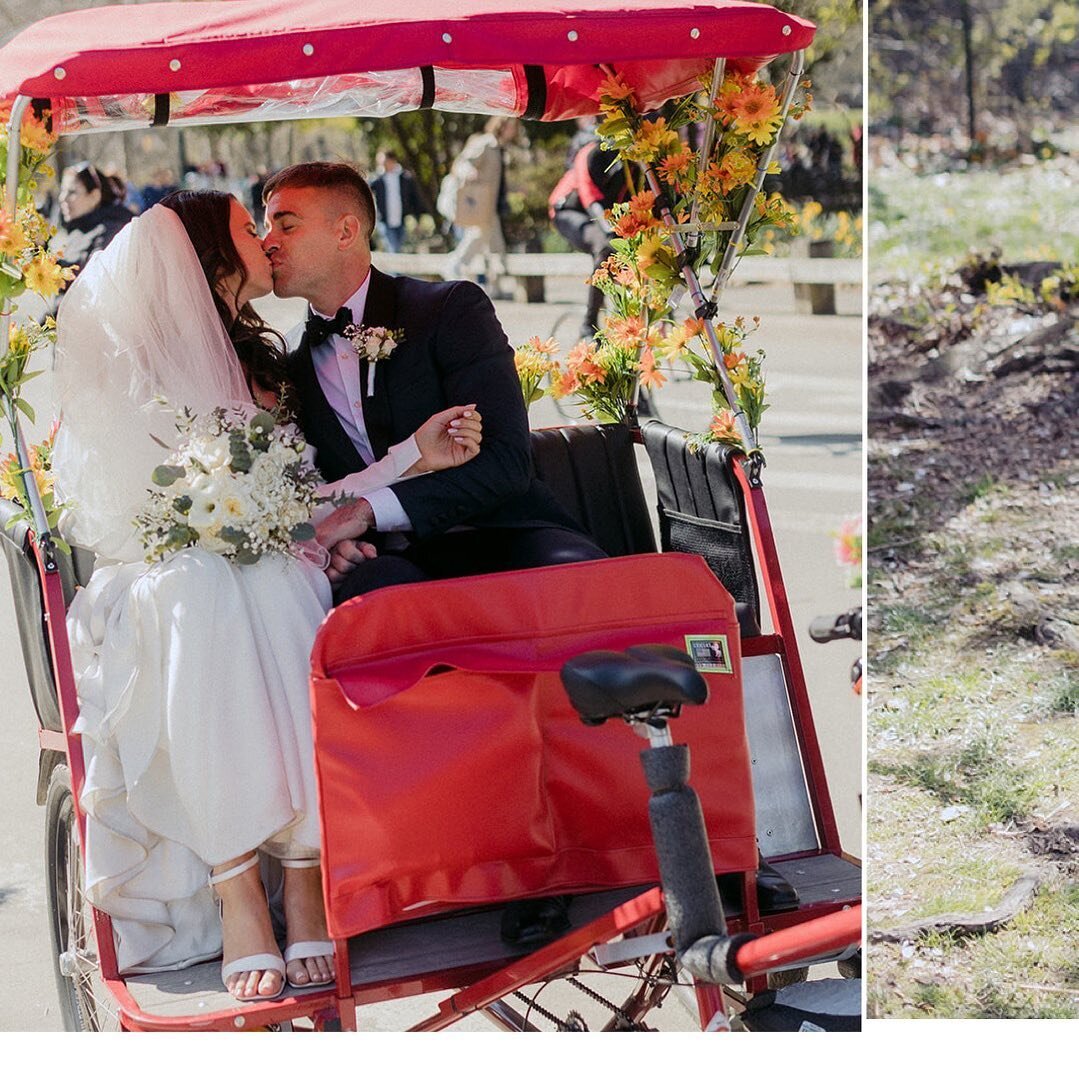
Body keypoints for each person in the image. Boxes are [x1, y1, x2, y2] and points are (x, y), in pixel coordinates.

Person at [50, 192, 483, 1002]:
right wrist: (246, 529)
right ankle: (234, 880)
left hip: (262, 552)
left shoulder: (262, 362)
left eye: (277, 223)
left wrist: (406, 459)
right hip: (164, 567)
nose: (266, 237)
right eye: (254, 228)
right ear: (210, 252)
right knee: (202, 589)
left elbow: (303, 495)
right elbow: (139, 511)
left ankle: (304, 871)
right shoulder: (134, 362)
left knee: (280, 582)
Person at [261, 161, 607, 603]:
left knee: (581, 580)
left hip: (502, 532)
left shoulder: (449, 309)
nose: (268, 242)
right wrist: (340, 545)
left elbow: (506, 462)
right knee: (367, 599)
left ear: (345, 232)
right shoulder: (291, 360)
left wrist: (364, 513)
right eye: (265, 226)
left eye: (285, 226)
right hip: (393, 561)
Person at [549, 137, 630, 341]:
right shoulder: (592, 152)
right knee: (604, 247)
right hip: (570, 210)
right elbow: (589, 196)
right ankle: (589, 322)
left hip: (605, 214)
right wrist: (611, 231)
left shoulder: (636, 161)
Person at [441, 116, 517, 289]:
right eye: (510, 126)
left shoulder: (499, 148)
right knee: (479, 235)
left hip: (491, 205)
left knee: (495, 244)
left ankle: (495, 285)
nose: (513, 131)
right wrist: (468, 172)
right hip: (480, 203)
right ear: (501, 126)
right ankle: (455, 264)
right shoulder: (485, 143)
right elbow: (462, 162)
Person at [54, 161, 135, 277]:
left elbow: (90, 278)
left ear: (94, 196)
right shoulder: (80, 229)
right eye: (63, 191)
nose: (62, 198)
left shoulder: (111, 230)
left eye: (72, 192)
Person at [368, 149, 420, 253]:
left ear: (392, 161)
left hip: (401, 221)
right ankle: (396, 270)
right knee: (394, 250)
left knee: (398, 249)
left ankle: (395, 269)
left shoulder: (405, 177)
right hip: (385, 222)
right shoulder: (378, 179)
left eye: (384, 162)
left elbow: (414, 199)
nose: (382, 165)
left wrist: (417, 218)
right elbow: (366, 190)